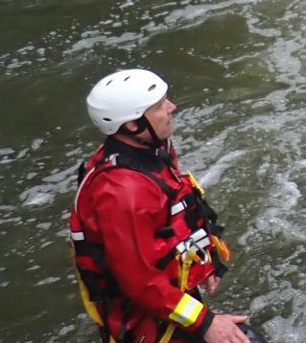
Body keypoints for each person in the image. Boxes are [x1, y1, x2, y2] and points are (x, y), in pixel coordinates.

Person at [70, 69, 257, 343]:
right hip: (144, 319)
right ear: (132, 125)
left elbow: (173, 213)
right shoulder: (123, 192)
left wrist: (205, 260)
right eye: (159, 106)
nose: (172, 107)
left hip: (161, 297)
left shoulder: (148, 151)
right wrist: (206, 324)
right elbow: (138, 281)